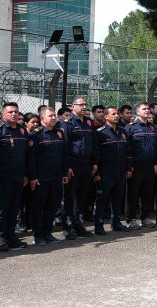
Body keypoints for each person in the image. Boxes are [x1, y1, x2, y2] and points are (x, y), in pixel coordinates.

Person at [0, 102, 32, 252]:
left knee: (14, 208)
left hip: (18, 178)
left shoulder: (22, 132)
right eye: (10, 112)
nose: (14, 114)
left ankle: (11, 235)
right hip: (2, 179)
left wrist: (26, 174)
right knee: (1, 208)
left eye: (16, 112)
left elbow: (26, 156)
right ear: (4, 114)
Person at [28, 107, 69, 246]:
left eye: (54, 116)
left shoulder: (59, 133)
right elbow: (31, 159)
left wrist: (64, 173)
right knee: (38, 207)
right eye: (50, 116)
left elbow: (64, 155)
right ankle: (38, 234)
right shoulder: (36, 135)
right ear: (42, 119)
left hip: (56, 176)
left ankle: (47, 232)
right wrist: (33, 176)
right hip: (41, 178)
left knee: (52, 206)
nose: (53, 118)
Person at [61, 97, 98, 239]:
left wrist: (95, 162)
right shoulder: (68, 124)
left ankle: (78, 224)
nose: (84, 107)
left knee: (82, 196)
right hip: (73, 163)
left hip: (87, 164)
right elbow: (64, 147)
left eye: (85, 104)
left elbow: (94, 145)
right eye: (81, 104)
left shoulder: (89, 123)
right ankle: (67, 226)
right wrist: (67, 166)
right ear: (72, 106)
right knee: (70, 196)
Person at [93, 107, 132, 234]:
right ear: (106, 117)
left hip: (120, 172)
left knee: (118, 198)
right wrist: (97, 172)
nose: (116, 116)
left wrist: (128, 168)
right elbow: (96, 155)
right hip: (105, 173)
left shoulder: (122, 131)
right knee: (102, 200)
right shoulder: (100, 133)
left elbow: (128, 151)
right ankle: (99, 225)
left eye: (117, 114)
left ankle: (116, 222)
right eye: (113, 114)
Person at [125, 102, 157, 229]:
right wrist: (129, 165)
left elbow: (156, 148)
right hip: (136, 166)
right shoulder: (130, 128)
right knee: (133, 194)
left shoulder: (152, 128)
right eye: (144, 109)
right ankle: (131, 219)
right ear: (137, 112)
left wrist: (156, 163)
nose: (147, 111)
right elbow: (127, 149)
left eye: (148, 109)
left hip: (150, 166)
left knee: (148, 193)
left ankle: (145, 217)